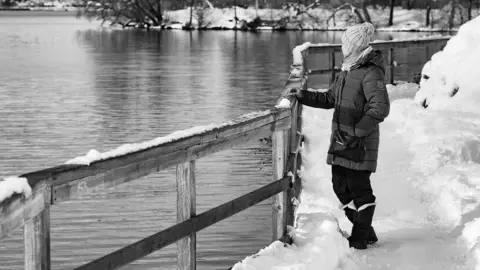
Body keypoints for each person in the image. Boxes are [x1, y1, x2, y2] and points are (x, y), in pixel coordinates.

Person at [289, 22, 390, 249]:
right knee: (339, 186)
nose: (342, 47)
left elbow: (380, 107)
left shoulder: (370, 72)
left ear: (354, 46)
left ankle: (360, 238)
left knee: (360, 189)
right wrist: (302, 95)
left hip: (359, 143)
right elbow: (329, 99)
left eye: (345, 43)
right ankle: (366, 232)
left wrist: (357, 131)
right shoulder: (347, 70)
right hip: (342, 140)